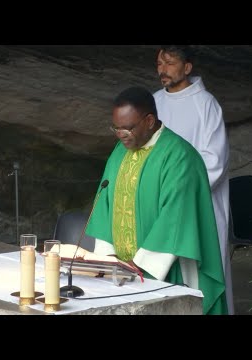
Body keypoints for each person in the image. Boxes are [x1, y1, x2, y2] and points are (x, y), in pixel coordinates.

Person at [85, 86, 227, 315]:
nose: (121, 134)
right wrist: (108, 257)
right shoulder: (119, 152)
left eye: (128, 128)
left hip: (162, 270)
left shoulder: (179, 155)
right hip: (118, 273)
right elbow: (105, 203)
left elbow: (177, 217)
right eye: (116, 128)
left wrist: (140, 265)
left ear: (149, 121)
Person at [153, 45, 233, 315]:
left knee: (201, 272)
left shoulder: (206, 104)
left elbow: (215, 160)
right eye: (159, 63)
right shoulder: (153, 103)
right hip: (161, 203)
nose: (162, 69)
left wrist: (182, 190)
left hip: (199, 203)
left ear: (187, 67)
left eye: (170, 63)